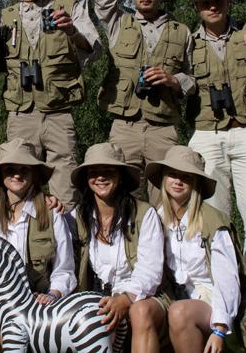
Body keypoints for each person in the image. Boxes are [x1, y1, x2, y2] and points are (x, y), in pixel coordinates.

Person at [90, 0, 193, 205]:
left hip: (164, 130)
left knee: (169, 204)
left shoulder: (181, 31)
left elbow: (194, 79)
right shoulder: (117, 23)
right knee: (123, 202)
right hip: (124, 128)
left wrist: (173, 80)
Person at [183, 0, 246, 294]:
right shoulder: (187, 43)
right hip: (206, 135)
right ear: (196, 7)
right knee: (213, 221)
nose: (212, 6)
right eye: (205, 2)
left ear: (227, 0)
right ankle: (220, 292)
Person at [0, 0, 100, 211]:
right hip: (21, 113)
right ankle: (23, 233)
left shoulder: (69, 8)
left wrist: (71, 31)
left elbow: (94, 50)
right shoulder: (5, 17)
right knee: (19, 186)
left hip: (58, 112)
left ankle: (66, 234)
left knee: (65, 189)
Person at [0, 138, 77, 351]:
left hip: (42, 298)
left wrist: (52, 295)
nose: (17, 174)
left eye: (24, 169)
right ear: (0, 174)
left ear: (34, 173)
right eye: (10, 169)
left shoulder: (51, 214)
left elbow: (65, 268)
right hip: (2, 302)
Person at [145, 146, 241, 353]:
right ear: (164, 178)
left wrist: (220, 329)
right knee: (142, 309)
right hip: (172, 295)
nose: (178, 181)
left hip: (209, 299)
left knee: (179, 312)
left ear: (196, 182)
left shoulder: (212, 221)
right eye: (173, 174)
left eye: (186, 177)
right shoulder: (155, 217)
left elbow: (227, 279)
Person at [71, 142, 165, 353]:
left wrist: (125, 298)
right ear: (87, 179)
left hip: (141, 295)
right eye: (94, 172)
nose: (100, 177)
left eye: (108, 171)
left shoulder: (144, 213)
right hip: (95, 295)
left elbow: (150, 271)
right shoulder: (78, 215)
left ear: (120, 176)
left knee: (139, 311)